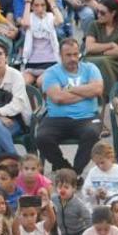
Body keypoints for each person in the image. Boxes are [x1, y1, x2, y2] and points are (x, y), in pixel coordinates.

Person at [36, 38, 103, 175]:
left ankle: (75, 173)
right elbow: (58, 98)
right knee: (42, 137)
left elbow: (97, 90)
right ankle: (64, 168)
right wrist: (86, 92)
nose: (73, 58)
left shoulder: (91, 68)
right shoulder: (51, 72)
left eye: (75, 54)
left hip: (87, 117)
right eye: (68, 55)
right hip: (56, 118)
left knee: (92, 134)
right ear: (60, 55)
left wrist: (70, 89)